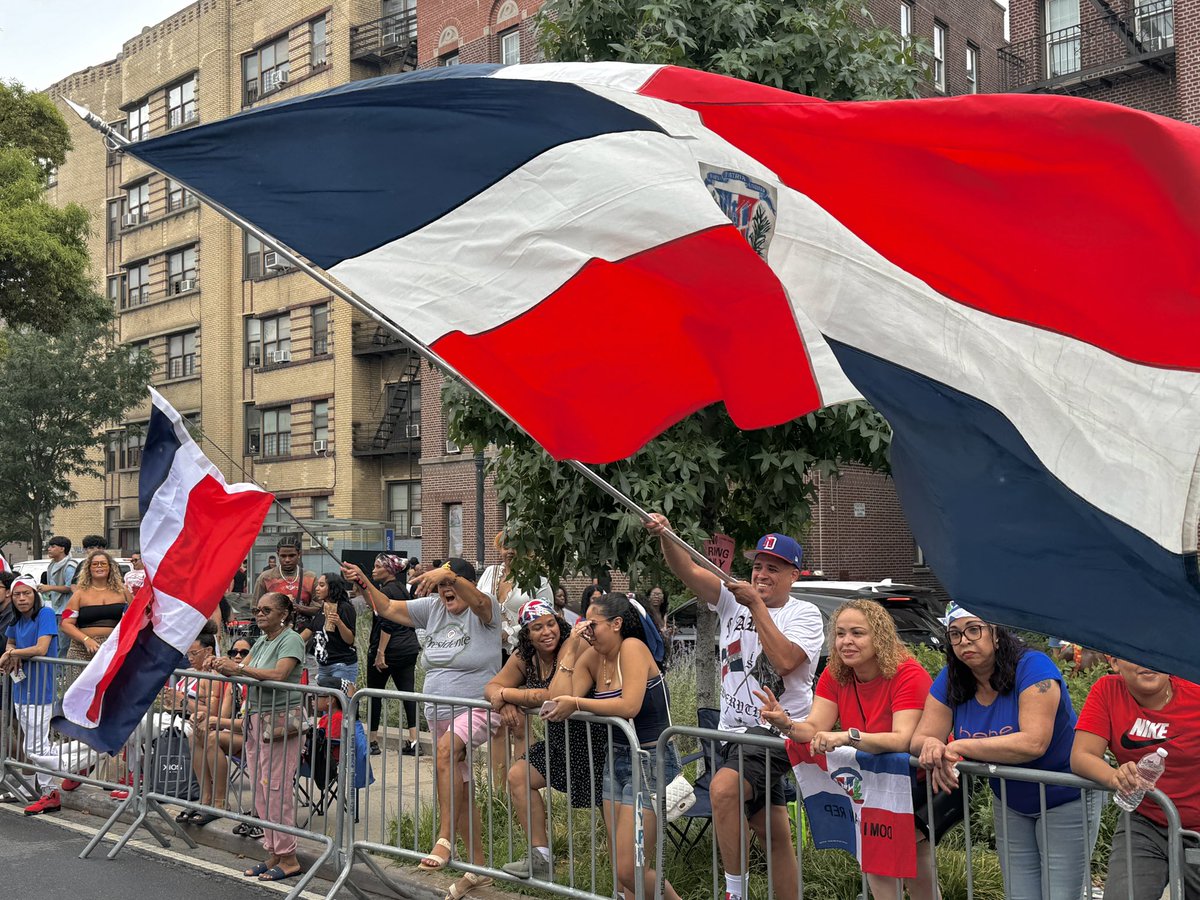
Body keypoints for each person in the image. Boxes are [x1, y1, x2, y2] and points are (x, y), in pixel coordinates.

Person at [648, 515, 823, 900]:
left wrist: (757, 606)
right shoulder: (731, 599)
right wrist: (667, 537)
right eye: (758, 566)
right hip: (732, 733)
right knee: (771, 829)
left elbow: (785, 661)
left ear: (794, 575)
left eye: (773, 569)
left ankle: (734, 893)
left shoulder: (804, 614)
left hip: (778, 732)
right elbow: (688, 570)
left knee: (723, 788)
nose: (761, 574)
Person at [911, 602, 1099, 900]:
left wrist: (957, 745)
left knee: (1060, 895)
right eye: (955, 634)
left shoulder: (1034, 667)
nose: (965, 641)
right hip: (1010, 799)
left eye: (974, 630)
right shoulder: (952, 676)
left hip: (1065, 796)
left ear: (996, 633)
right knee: (1019, 895)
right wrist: (932, 744)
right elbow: (921, 737)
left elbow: (1034, 743)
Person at [757, 599, 937, 900]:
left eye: (857, 633)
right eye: (840, 634)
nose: (846, 642)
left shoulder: (909, 673)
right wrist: (786, 723)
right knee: (879, 870)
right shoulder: (835, 673)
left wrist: (846, 737)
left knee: (917, 875)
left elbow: (902, 739)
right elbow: (814, 727)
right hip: (870, 786)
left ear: (878, 636)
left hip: (912, 785)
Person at [345, 558, 500, 900]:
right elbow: (385, 606)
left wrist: (447, 574)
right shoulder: (431, 608)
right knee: (459, 787)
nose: (446, 591)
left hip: (477, 707)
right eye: (442, 586)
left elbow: (478, 601)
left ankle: (444, 839)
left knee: (445, 751)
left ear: (468, 583)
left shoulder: (485, 609)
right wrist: (363, 582)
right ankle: (477, 869)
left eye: (452, 584)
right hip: (439, 709)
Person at [544, 592, 681, 900]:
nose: (587, 631)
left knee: (629, 867)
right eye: (583, 624)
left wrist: (578, 702)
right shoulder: (592, 658)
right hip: (616, 758)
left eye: (593, 625)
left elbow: (629, 705)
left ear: (617, 624)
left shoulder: (632, 648)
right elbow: (556, 701)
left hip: (651, 759)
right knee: (622, 868)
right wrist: (571, 650)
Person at [486, 598, 604, 879]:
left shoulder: (574, 645)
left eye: (551, 623)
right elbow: (491, 686)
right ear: (526, 634)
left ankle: (625, 882)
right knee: (519, 776)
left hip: (595, 743)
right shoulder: (525, 656)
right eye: (537, 627)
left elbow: (553, 695)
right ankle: (541, 860)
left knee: (609, 811)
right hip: (559, 743)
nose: (547, 631)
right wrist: (502, 701)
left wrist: (509, 695)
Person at [1072, 657, 1200, 899]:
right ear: (1114, 662)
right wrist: (1115, 776)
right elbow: (1081, 755)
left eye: (1156, 653)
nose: (1148, 662)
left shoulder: (1195, 692)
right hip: (1145, 820)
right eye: (1133, 654)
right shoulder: (1107, 690)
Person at [208, 592, 306, 882]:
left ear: (284, 614)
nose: (259, 614)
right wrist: (222, 665)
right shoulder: (263, 640)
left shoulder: (291, 639)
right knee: (261, 789)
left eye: (266, 610)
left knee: (276, 789)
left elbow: (278, 674)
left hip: (278, 723)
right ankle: (273, 852)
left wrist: (236, 667)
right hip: (255, 720)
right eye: (257, 610)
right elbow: (243, 669)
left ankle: (289, 857)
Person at [1, 578, 93, 815]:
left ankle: (74, 769)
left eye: (26, 594)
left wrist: (11, 654)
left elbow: (41, 648)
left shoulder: (45, 614)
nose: (21, 598)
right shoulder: (16, 618)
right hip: (21, 688)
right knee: (33, 744)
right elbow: (10, 640)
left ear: (35, 594)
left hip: (41, 690)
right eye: (17, 594)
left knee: (36, 747)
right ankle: (39, 789)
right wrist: (12, 652)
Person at [191, 637, 252, 827]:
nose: (238, 656)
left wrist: (216, 721)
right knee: (196, 735)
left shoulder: (252, 681)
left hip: (257, 737)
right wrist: (201, 717)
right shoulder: (232, 682)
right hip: (237, 735)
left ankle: (220, 803)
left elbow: (248, 724)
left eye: (244, 653)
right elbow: (222, 716)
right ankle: (205, 799)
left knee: (212, 738)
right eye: (234, 652)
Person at [366, 554, 419, 756]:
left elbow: (387, 624)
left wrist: (380, 653)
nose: (373, 570)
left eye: (377, 566)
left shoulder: (386, 592)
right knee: (408, 693)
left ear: (389, 570)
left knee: (374, 694)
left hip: (389, 650)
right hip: (408, 648)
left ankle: (372, 740)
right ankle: (414, 740)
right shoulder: (402, 590)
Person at [252, 536, 317, 675]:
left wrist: (298, 607)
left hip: (305, 640)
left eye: (292, 555)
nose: (287, 560)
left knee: (303, 678)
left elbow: (319, 608)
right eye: (283, 556)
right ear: (278, 554)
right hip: (273, 639)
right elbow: (255, 608)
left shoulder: (310, 577)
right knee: (274, 673)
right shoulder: (266, 577)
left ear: (299, 554)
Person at [60, 549, 127, 660]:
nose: (99, 566)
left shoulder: (123, 591)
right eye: (95, 564)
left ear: (110, 567)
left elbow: (136, 615)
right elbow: (65, 624)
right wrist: (86, 640)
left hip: (114, 650)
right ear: (89, 569)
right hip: (82, 650)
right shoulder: (79, 594)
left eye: (103, 563)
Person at [300, 573, 358, 689]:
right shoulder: (323, 607)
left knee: (340, 701)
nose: (317, 589)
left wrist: (339, 623)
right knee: (325, 703)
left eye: (321, 585)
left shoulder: (345, 607)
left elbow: (350, 639)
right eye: (317, 585)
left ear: (332, 588)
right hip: (323, 666)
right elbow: (309, 631)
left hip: (341, 664)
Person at [37, 535, 77, 617]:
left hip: (67, 610)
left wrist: (49, 587)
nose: (49, 549)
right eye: (49, 546)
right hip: (55, 609)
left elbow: (70, 588)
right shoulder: (52, 564)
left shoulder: (70, 566)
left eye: (53, 547)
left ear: (62, 549)